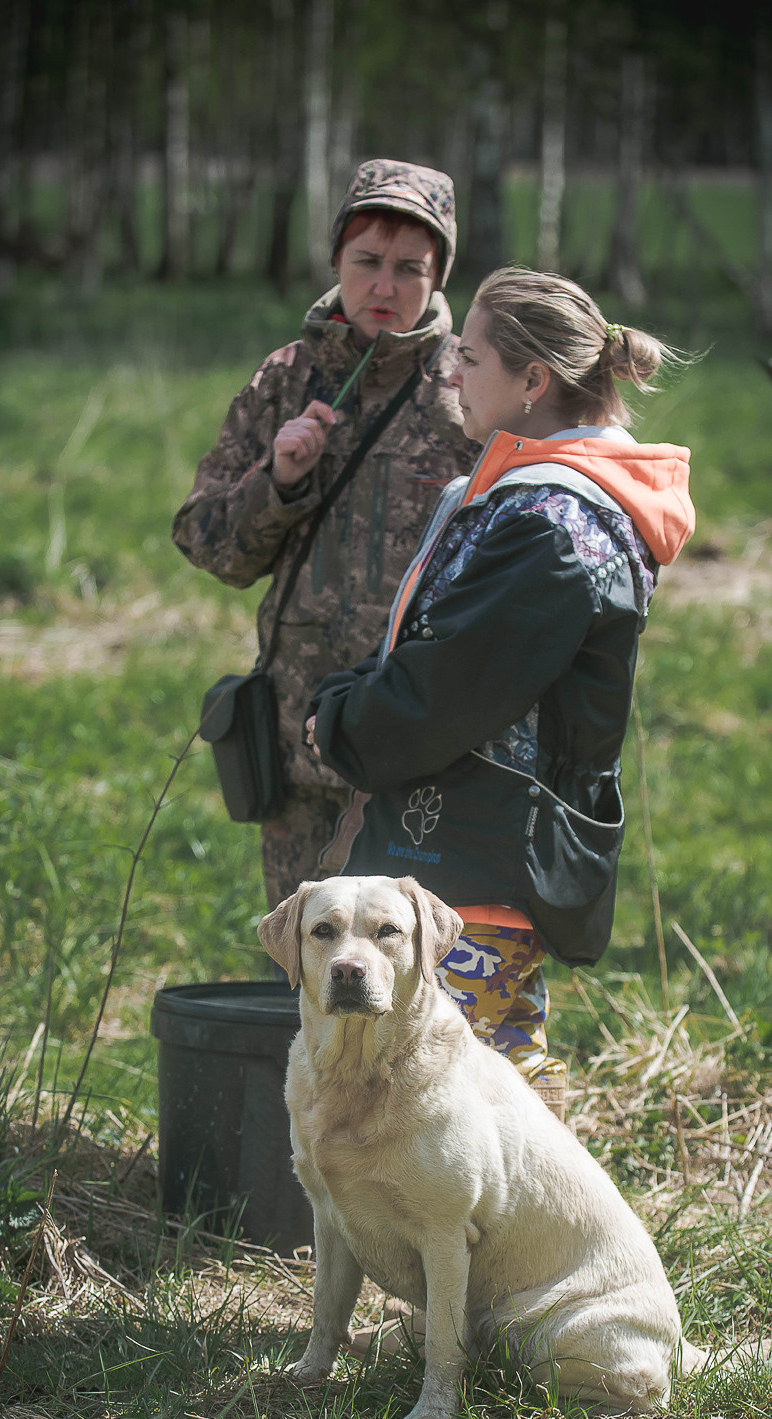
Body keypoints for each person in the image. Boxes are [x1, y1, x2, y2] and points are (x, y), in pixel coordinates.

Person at [306, 268, 694, 1117]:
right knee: (449, 1106)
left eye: (468, 354)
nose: (450, 367)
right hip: (460, 849)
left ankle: (529, 1251)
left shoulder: (553, 526)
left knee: (465, 1116)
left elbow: (446, 693)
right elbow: (439, 653)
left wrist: (338, 724)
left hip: (478, 863)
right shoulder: (521, 496)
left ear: (531, 382)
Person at [173, 160, 477, 908]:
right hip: (297, 740)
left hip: (426, 747)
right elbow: (208, 545)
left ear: (439, 276)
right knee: (306, 971)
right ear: (336, 260)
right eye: (366, 262)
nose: (384, 287)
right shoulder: (286, 378)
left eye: (410, 268)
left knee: (415, 972)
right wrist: (276, 484)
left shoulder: (472, 387)